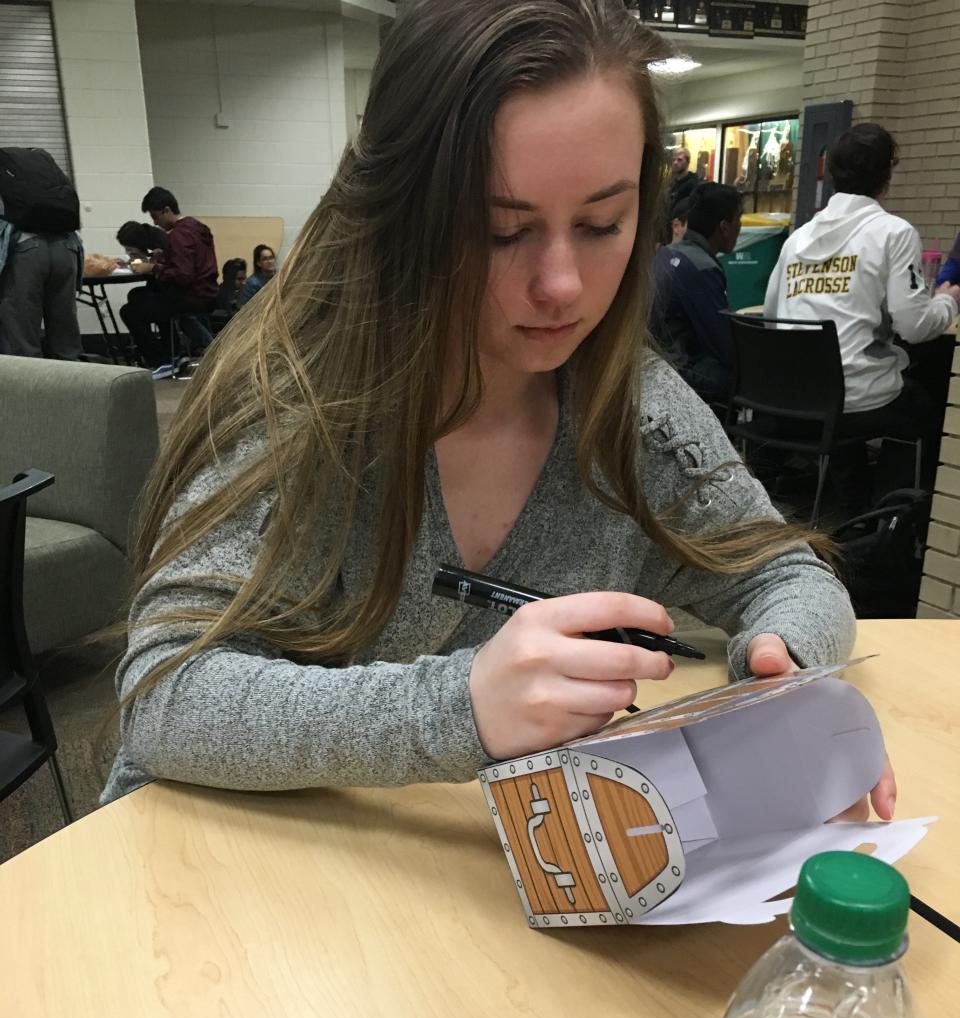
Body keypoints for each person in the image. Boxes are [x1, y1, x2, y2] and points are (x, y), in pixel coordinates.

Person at [101, 0, 893, 824]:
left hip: (443, 871)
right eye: (501, 231)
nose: (563, 286)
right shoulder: (299, 396)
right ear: (398, 214)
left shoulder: (637, 414)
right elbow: (163, 696)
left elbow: (785, 575)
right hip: (209, 854)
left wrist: (780, 668)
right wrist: (461, 708)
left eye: (602, 223)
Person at [764, 123, 960, 512]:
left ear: (833, 175)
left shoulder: (797, 239)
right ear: (887, 175)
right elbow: (915, 327)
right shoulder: (894, 233)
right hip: (853, 400)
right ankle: (889, 517)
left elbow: (772, 319)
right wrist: (947, 301)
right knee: (924, 405)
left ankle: (851, 506)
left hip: (792, 398)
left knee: (850, 400)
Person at [651, 182, 741, 403]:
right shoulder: (701, 268)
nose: (740, 227)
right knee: (741, 372)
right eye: (739, 219)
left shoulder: (666, 254)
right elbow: (724, 345)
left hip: (654, 359)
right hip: (674, 370)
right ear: (724, 227)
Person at [118, 186, 218, 378]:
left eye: (155, 216)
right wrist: (161, 259)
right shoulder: (195, 227)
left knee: (130, 311)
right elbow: (187, 264)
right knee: (141, 296)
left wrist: (152, 268)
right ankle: (174, 355)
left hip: (191, 296)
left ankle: (161, 361)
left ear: (166, 210)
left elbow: (182, 275)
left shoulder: (179, 235)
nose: (155, 222)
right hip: (206, 291)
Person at [0, 146, 83, 360]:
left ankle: (26, 382)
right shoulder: (42, 167)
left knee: (21, 337)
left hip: (25, 250)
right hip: (67, 247)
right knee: (65, 333)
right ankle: (73, 379)